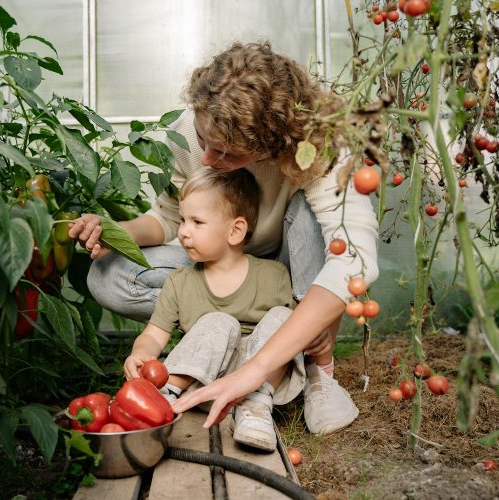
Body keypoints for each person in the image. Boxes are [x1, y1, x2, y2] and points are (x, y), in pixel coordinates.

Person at [69, 41, 379, 434]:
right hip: (219, 262)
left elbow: (355, 259)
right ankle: (226, 340)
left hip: (287, 273)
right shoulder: (190, 130)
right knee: (109, 274)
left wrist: (257, 370)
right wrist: (114, 232)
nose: (209, 162)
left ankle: (317, 371)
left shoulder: (320, 145)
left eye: (230, 155)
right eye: (204, 143)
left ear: (273, 145)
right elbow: (168, 218)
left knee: (315, 221)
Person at [123, 168, 304, 451]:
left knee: (285, 319)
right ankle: (167, 395)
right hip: (200, 382)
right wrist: (140, 354)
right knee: (221, 322)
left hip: (257, 382)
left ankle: (255, 408)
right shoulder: (179, 282)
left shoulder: (274, 276)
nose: (182, 231)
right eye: (182, 220)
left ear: (235, 231)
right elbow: (154, 335)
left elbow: (296, 338)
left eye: (197, 222)